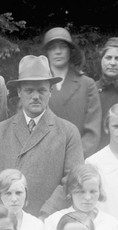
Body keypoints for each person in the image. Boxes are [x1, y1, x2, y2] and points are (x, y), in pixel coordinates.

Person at [0, 56, 85, 219]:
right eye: (29, 91)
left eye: (42, 90)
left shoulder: (68, 132)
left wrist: (46, 215)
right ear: (19, 92)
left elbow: (71, 180)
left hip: (49, 220)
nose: (35, 96)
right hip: (6, 220)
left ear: (50, 91)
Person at [42, 27, 102, 157]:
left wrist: (74, 157)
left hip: (78, 159)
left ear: (71, 51)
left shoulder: (87, 84)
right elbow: (26, 124)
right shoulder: (36, 83)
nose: (58, 51)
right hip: (43, 159)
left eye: (63, 46)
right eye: (52, 47)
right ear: (47, 52)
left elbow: (93, 132)